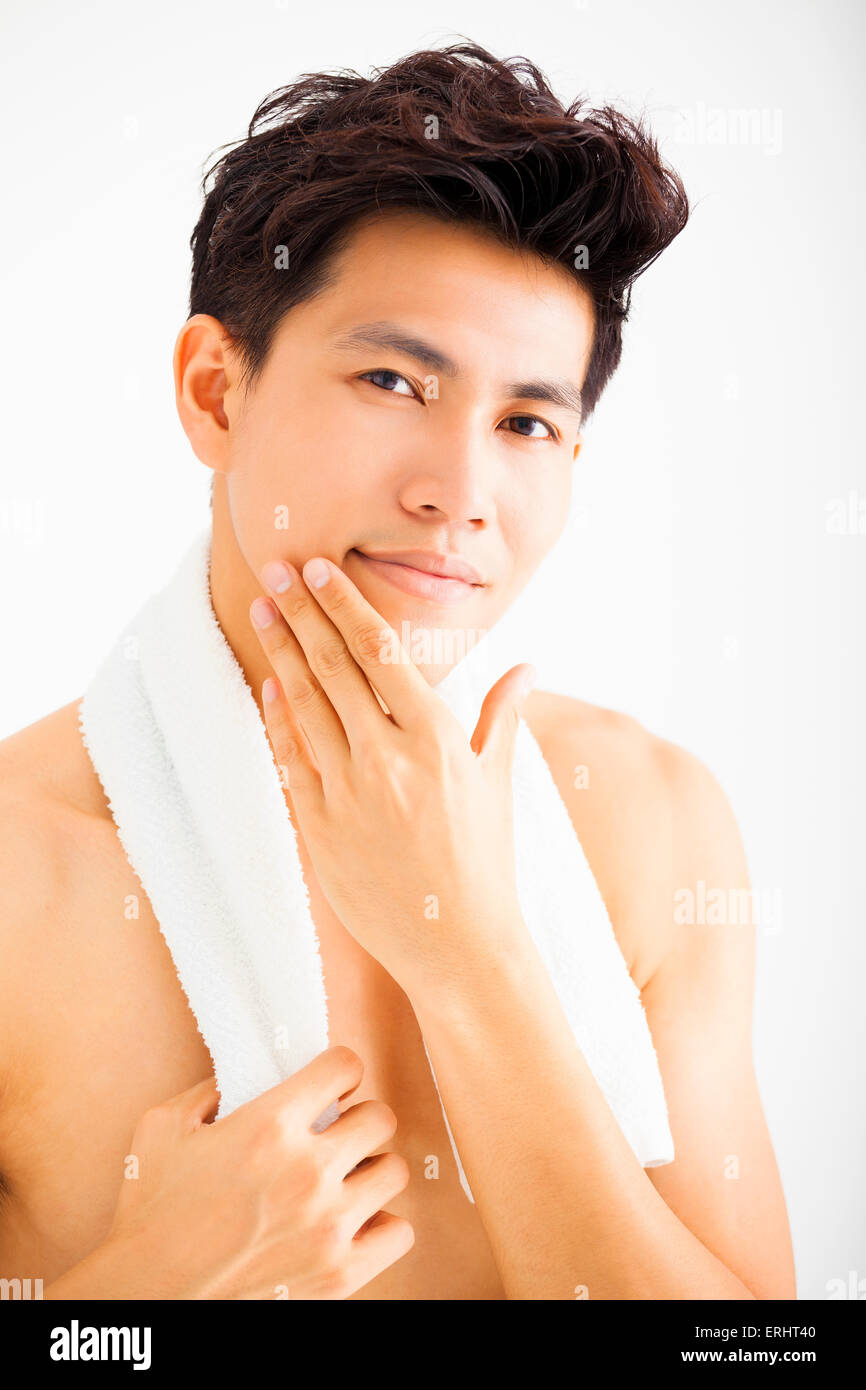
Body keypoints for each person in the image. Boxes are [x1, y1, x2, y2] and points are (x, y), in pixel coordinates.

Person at [0, 41, 795, 1300]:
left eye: (526, 423)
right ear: (214, 391)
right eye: (391, 380)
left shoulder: (650, 827)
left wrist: (473, 958)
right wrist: (144, 1289)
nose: (458, 496)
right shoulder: (19, 871)